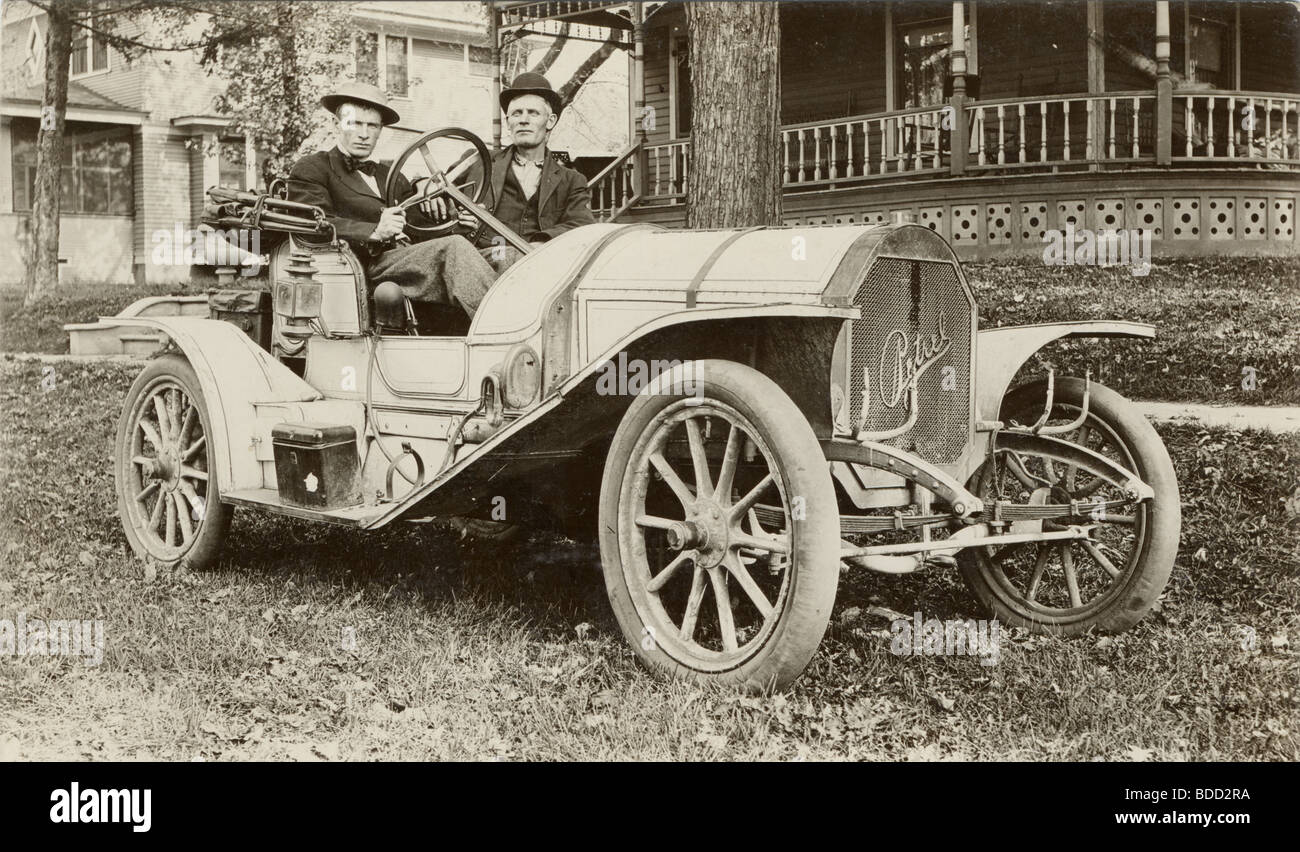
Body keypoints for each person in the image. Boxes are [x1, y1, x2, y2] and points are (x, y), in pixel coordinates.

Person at [287, 82, 496, 319]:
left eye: (372, 126)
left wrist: (460, 223)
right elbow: (311, 224)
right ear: (336, 124)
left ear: (380, 130)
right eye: (354, 123)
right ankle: (504, 330)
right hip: (366, 266)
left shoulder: (390, 175)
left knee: (505, 256)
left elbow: (421, 230)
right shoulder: (313, 168)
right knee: (455, 249)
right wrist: (375, 231)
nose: (364, 134)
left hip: (411, 261)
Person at [471, 73, 595, 274]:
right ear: (508, 121)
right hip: (482, 259)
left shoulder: (571, 180)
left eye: (533, 113)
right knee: (508, 257)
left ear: (550, 121)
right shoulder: (479, 162)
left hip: (539, 264)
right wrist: (422, 183)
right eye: (517, 113)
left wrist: (541, 241)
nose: (523, 120)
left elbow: (582, 224)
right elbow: (437, 187)